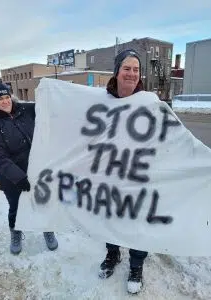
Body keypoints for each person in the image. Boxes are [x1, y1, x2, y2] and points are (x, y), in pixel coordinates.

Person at [0, 81, 58, 255]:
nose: (6, 101)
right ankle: (16, 232)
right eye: (0, 99)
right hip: (12, 178)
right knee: (16, 208)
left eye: (7, 96)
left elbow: (49, 105)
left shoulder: (24, 109)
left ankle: (47, 229)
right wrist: (19, 178)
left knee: (42, 203)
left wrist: (51, 91)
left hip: (38, 171)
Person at [98, 50, 148, 294]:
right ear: (117, 72)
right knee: (112, 221)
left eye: (136, 69)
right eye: (127, 68)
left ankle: (136, 266)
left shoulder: (151, 103)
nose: (132, 74)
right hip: (110, 179)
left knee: (138, 225)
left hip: (140, 179)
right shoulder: (101, 102)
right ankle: (112, 254)